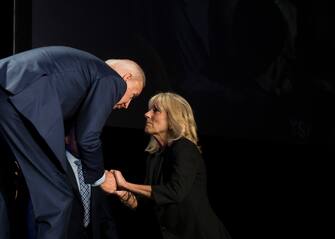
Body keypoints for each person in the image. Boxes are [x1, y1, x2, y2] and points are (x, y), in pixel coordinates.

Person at [0, 46, 145, 239]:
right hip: (22, 99)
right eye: (133, 96)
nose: (127, 105)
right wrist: (100, 178)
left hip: (8, 89)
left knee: (4, 181)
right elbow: (87, 137)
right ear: (126, 78)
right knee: (57, 198)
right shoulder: (112, 79)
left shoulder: (84, 74)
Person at [110, 92, 232, 239]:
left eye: (155, 110)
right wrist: (129, 198)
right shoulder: (155, 155)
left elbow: (174, 192)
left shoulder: (185, 148)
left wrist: (126, 185)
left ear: (173, 117)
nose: (147, 114)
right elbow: (153, 201)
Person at [65, 131, 119, 239]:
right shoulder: (55, 167)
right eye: (80, 135)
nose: (87, 141)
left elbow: (104, 214)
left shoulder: (96, 167)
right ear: (66, 139)